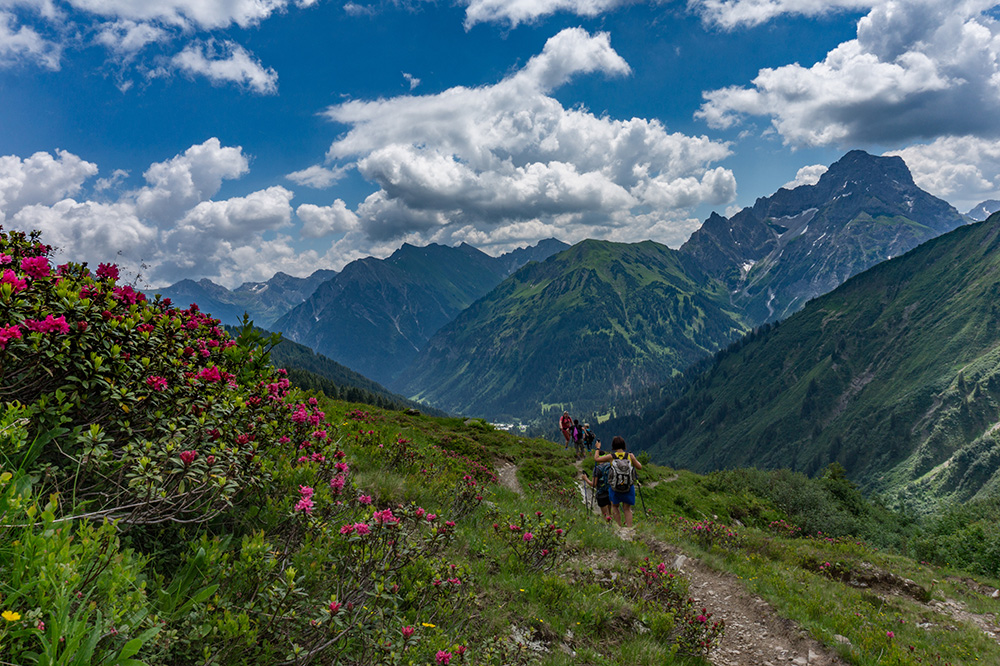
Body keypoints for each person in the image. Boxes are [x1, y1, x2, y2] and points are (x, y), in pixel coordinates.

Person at [594, 436, 643, 528]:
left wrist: (597, 448)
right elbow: (639, 467)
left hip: (614, 486)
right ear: (624, 445)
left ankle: (619, 528)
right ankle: (629, 529)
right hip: (628, 486)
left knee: (615, 507)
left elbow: (596, 459)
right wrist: (633, 459)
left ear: (613, 446)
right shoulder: (629, 456)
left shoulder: (611, 457)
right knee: (627, 509)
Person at [581, 447, 613, 521]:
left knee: (605, 515)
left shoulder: (597, 469)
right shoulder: (610, 466)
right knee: (611, 513)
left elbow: (593, 484)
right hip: (611, 492)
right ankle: (614, 526)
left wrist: (585, 479)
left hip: (602, 494)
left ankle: (609, 529)